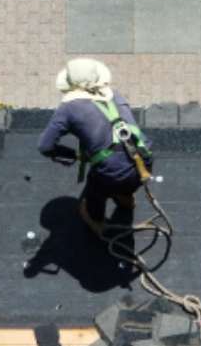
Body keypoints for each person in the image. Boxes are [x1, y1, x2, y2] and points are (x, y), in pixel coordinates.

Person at [36, 59, 153, 235]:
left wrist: (72, 155)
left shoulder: (68, 109)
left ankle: (96, 222)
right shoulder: (115, 95)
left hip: (112, 173)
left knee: (95, 193)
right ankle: (126, 199)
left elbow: (45, 146)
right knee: (125, 178)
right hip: (143, 161)